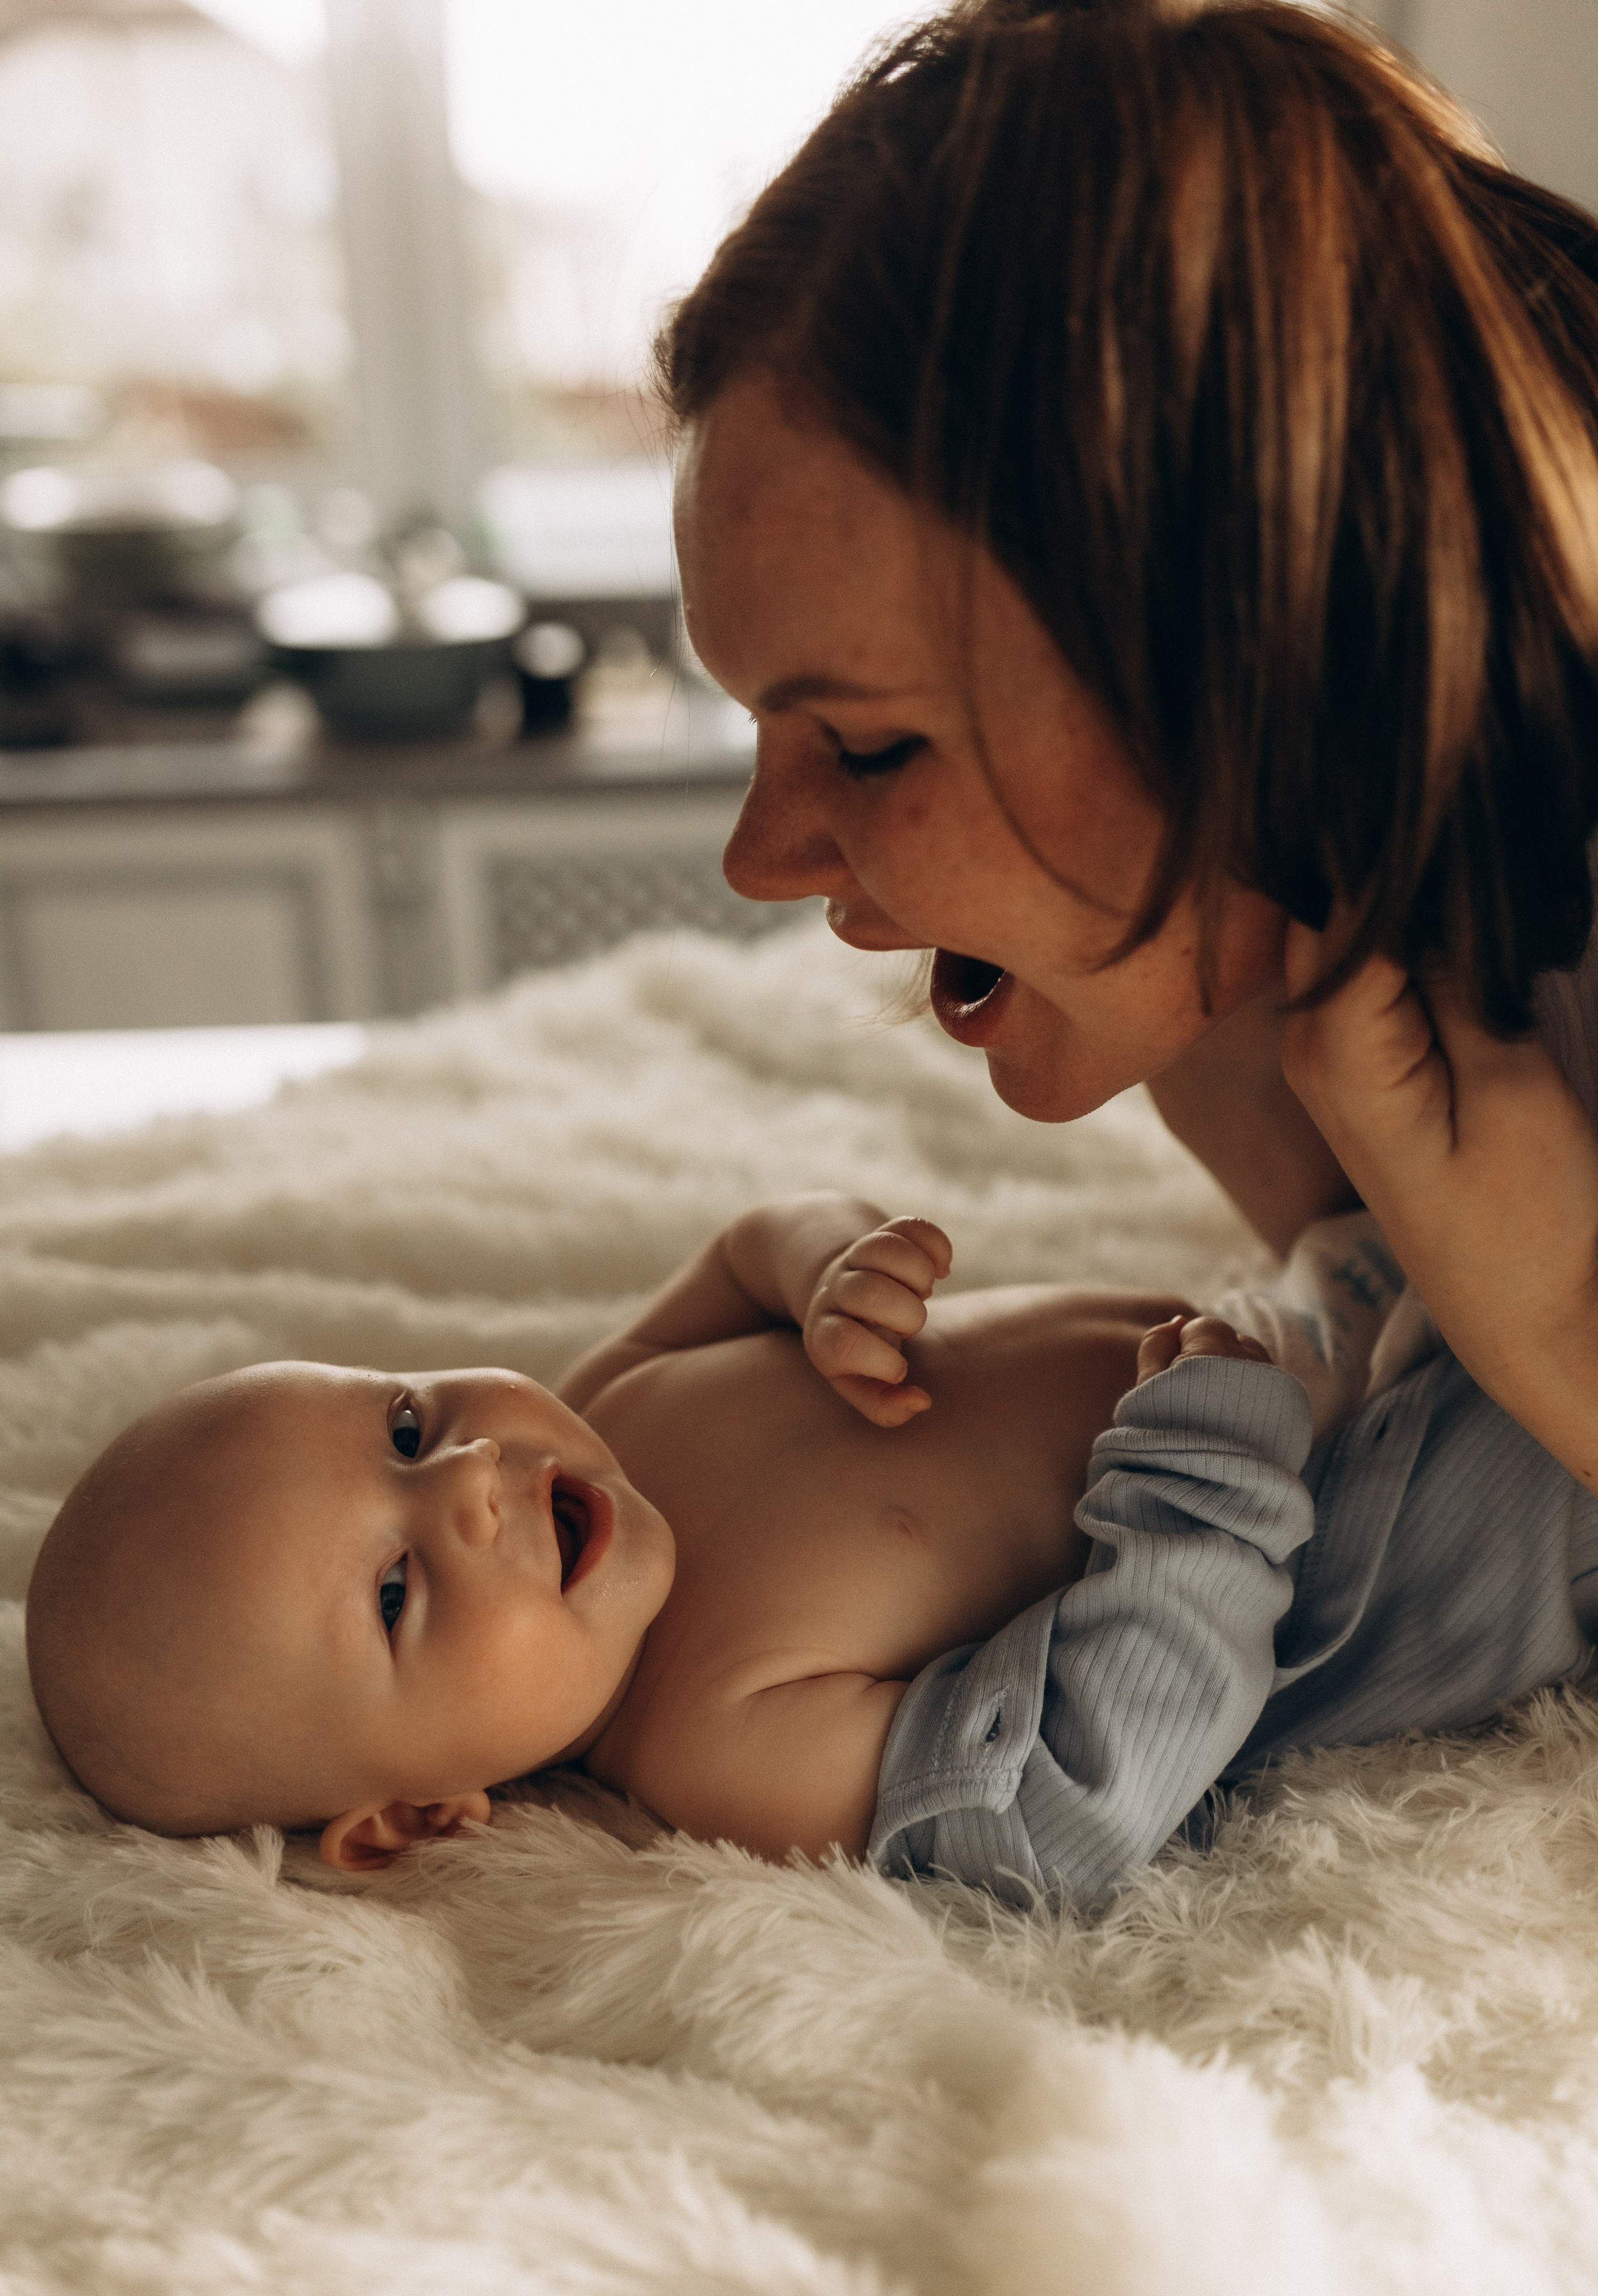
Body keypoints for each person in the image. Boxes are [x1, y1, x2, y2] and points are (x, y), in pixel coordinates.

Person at [660, 0, 1598, 1500]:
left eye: (871, 746)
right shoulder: (1279, 964)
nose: (758, 860)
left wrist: (1556, 1327)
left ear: (1267, 643)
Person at [24, 1194, 1598, 1903]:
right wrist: (1213, 1468)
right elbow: (1069, 1798)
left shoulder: (604, 1403)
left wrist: (825, 1262)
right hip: (1365, 1542)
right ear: (418, 1813)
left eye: (403, 1427)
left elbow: (735, 1254)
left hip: (1331, 1312)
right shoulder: (723, 1742)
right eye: (394, 1590)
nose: (475, 1484)